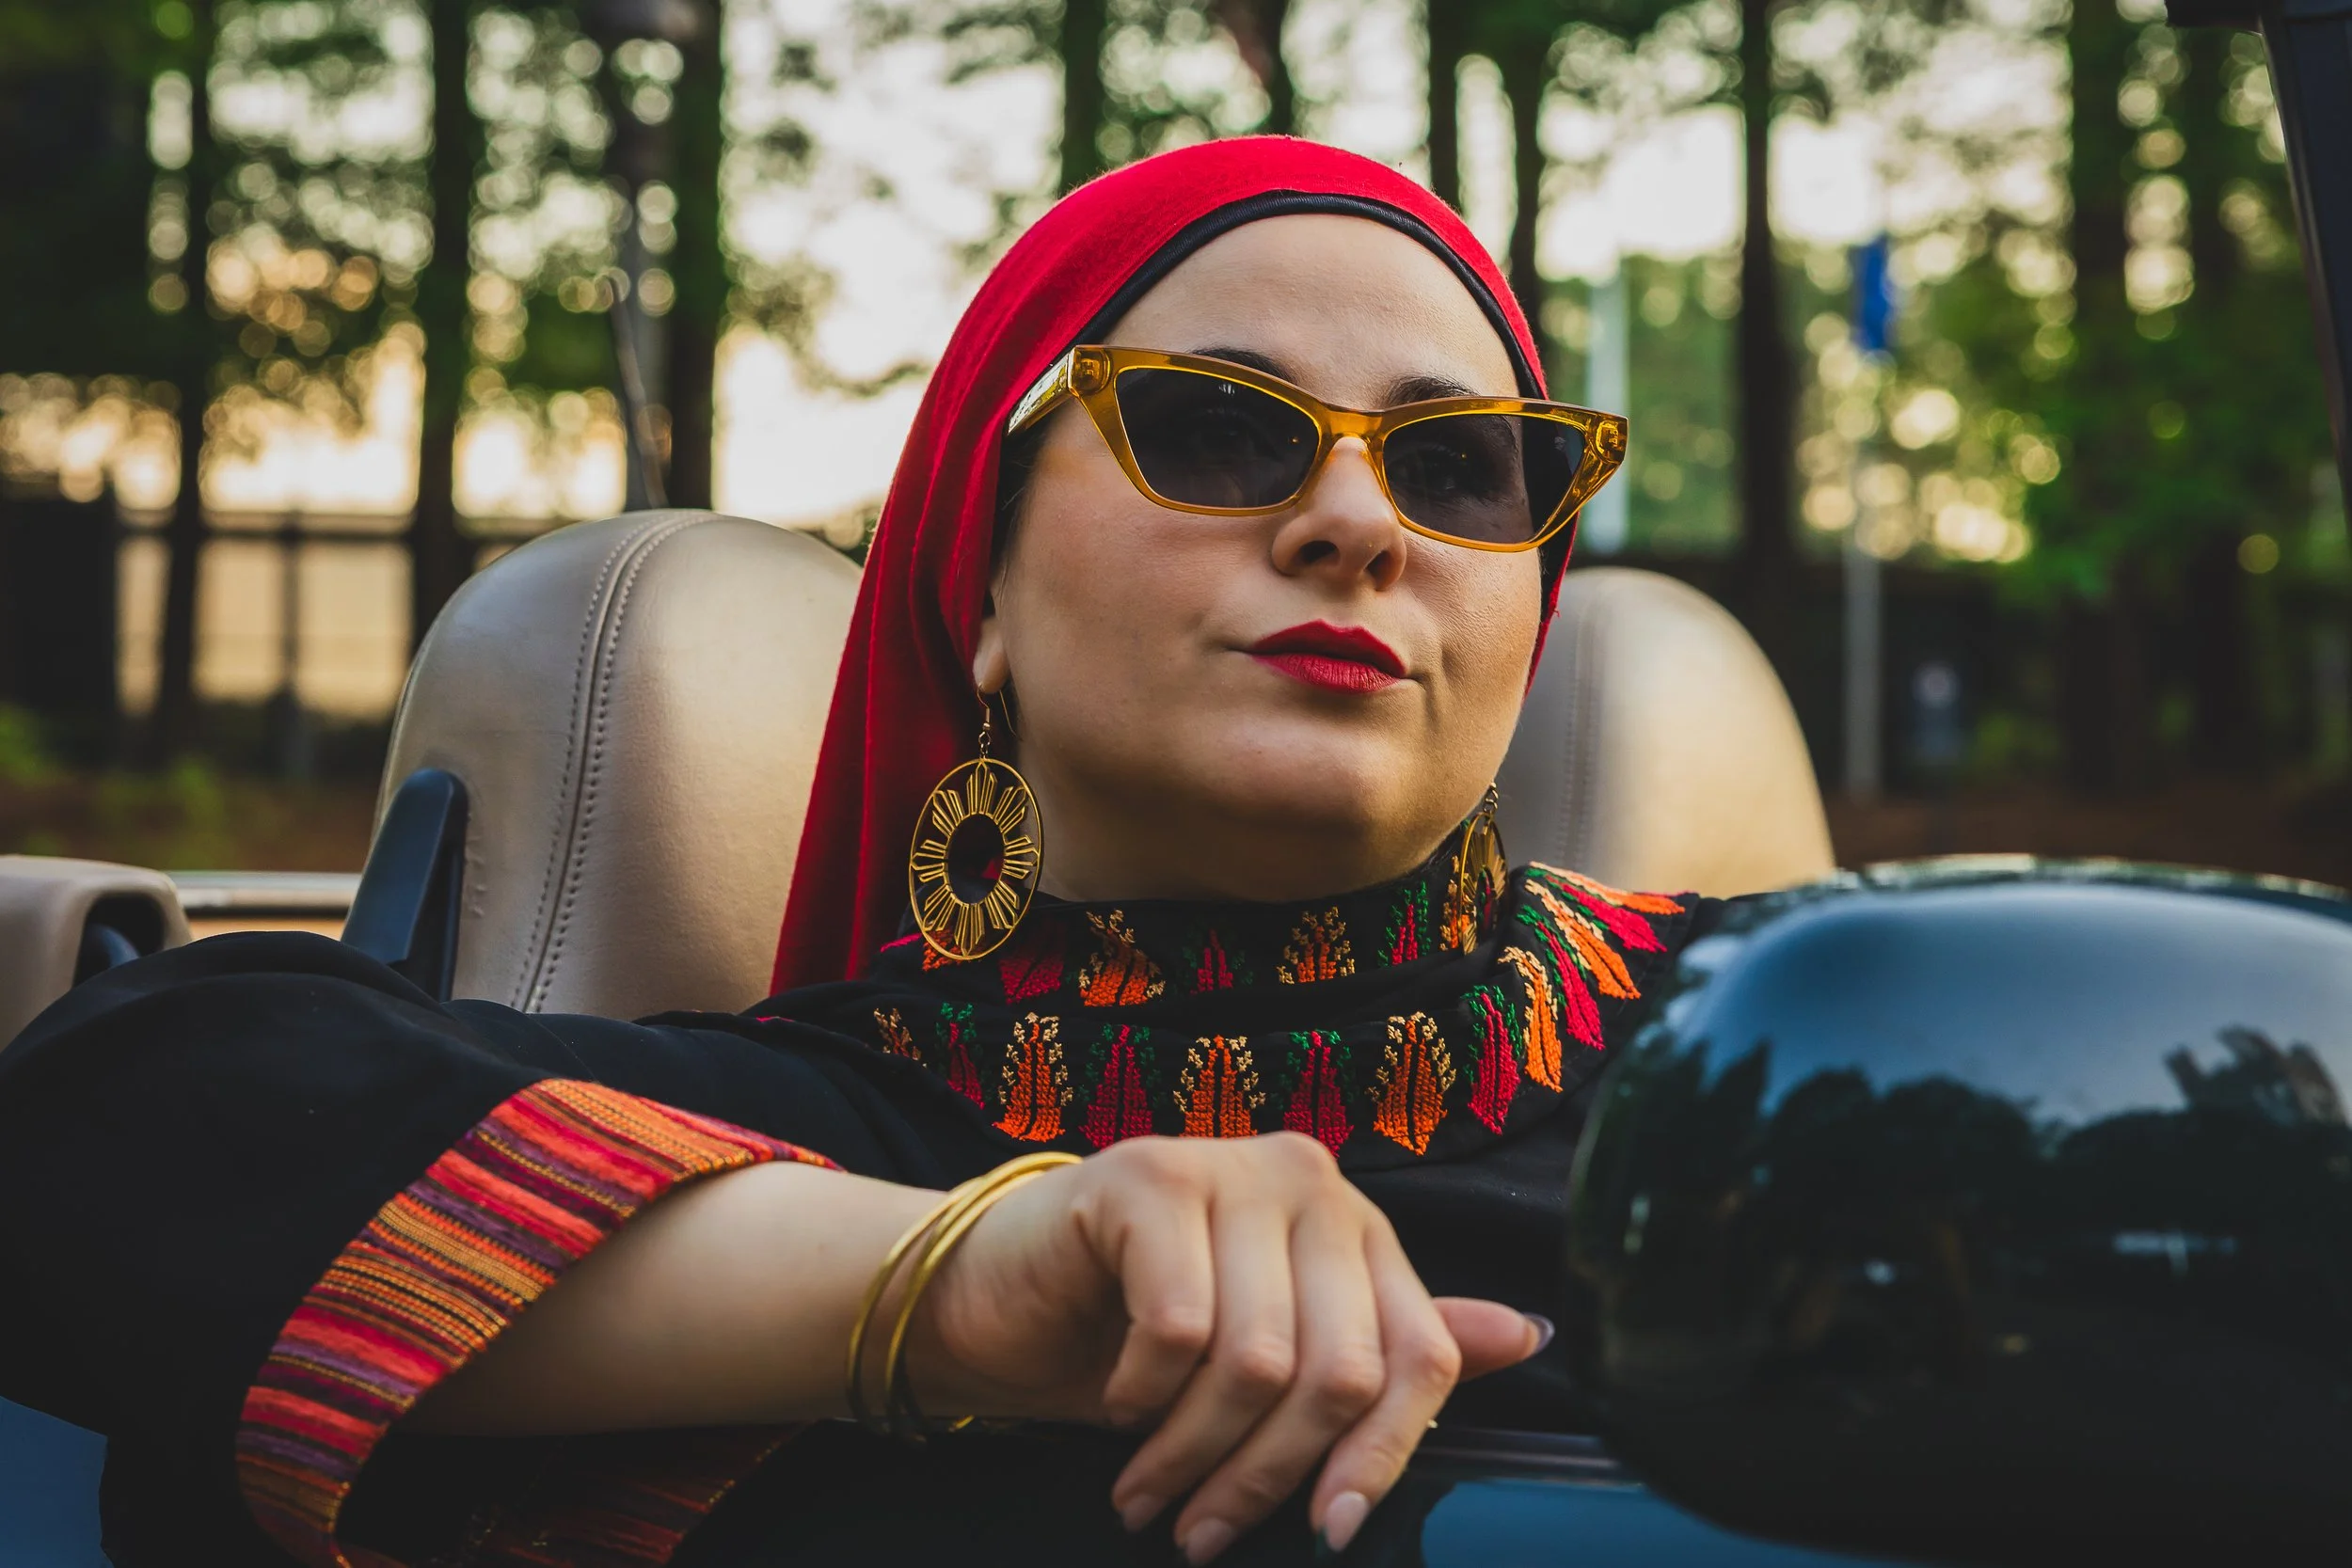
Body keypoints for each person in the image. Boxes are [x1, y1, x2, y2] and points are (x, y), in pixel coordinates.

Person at [0, 137, 1717, 1568]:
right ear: (979, 589)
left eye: (1462, 467)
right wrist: (953, 1278)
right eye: (1218, 428)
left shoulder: (1774, 1045)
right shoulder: (784, 1139)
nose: (1354, 521)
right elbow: (111, 1128)